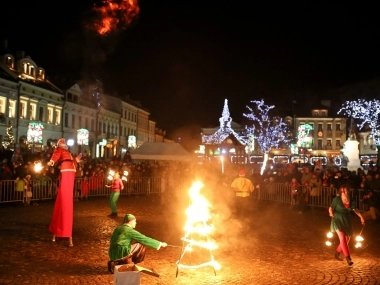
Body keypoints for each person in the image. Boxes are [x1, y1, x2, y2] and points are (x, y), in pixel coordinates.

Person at [47, 138, 82, 247]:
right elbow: (56, 156)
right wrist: (52, 161)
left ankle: (58, 232)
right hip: (66, 172)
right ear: (60, 144)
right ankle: (61, 233)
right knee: (65, 201)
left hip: (71, 172)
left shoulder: (68, 153)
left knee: (67, 200)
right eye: (63, 143)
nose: (65, 144)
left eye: (64, 143)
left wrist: (76, 159)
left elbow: (71, 162)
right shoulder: (59, 149)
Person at [328, 184, 365, 266]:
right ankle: (348, 258)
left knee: (347, 238)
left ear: (348, 191)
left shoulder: (352, 200)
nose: (345, 192)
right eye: (343, 191)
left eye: (346, 190)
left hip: (346, 219)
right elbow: (331, 208)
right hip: (337, 219)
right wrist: (331, 213)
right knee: (342, 238)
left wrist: (361, 217)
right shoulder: (337, 199)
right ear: (341, 192)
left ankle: (337, 252)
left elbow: (355, 209)